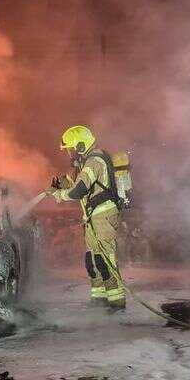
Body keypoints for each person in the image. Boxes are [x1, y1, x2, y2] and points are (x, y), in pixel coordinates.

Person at [49, 124, 126, 310]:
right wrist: (63, 183)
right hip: (93, 217)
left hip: (103, 215)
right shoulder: (87, 162)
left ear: (80, 146)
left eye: (71, 149)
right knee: (92, 259)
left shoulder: (94, 161)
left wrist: (60, 194)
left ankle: (117, 301)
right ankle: (99, 298)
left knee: (105, 259)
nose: (69, 153)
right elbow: (81, 183)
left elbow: (79, 190)